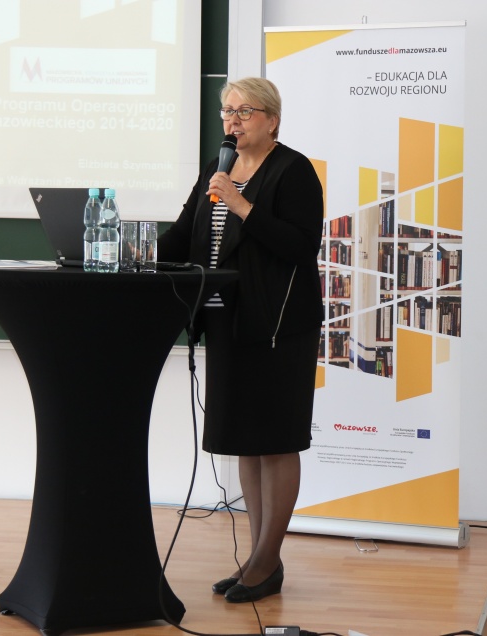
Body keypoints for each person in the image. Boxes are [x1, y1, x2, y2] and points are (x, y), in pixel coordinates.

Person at [157, 77, 324, 603]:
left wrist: (241, 204)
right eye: (227, 111)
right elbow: (183, 234)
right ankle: (258, 561)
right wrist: (131, 253)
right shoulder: (218, 166)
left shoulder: (292, 170)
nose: (232, 120)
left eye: (244, 111)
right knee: (248, 442)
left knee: (277, 440)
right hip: (227, 320)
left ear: (272, 119)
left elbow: (301, 245)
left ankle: (266, 561)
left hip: (278, 325)